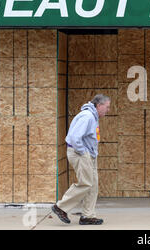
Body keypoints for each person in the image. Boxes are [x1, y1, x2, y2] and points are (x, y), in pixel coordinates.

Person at [52, 94, 111, 225]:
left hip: (88, 154)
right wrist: (83, 152)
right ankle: (61, 207)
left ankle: (88, 215)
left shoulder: (92, 116)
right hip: (81, 153)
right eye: (107, 107)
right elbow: (74, 137)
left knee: (93, 185)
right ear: (99, 105)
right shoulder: (87, 116)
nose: (108, 110)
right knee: (86, 183)